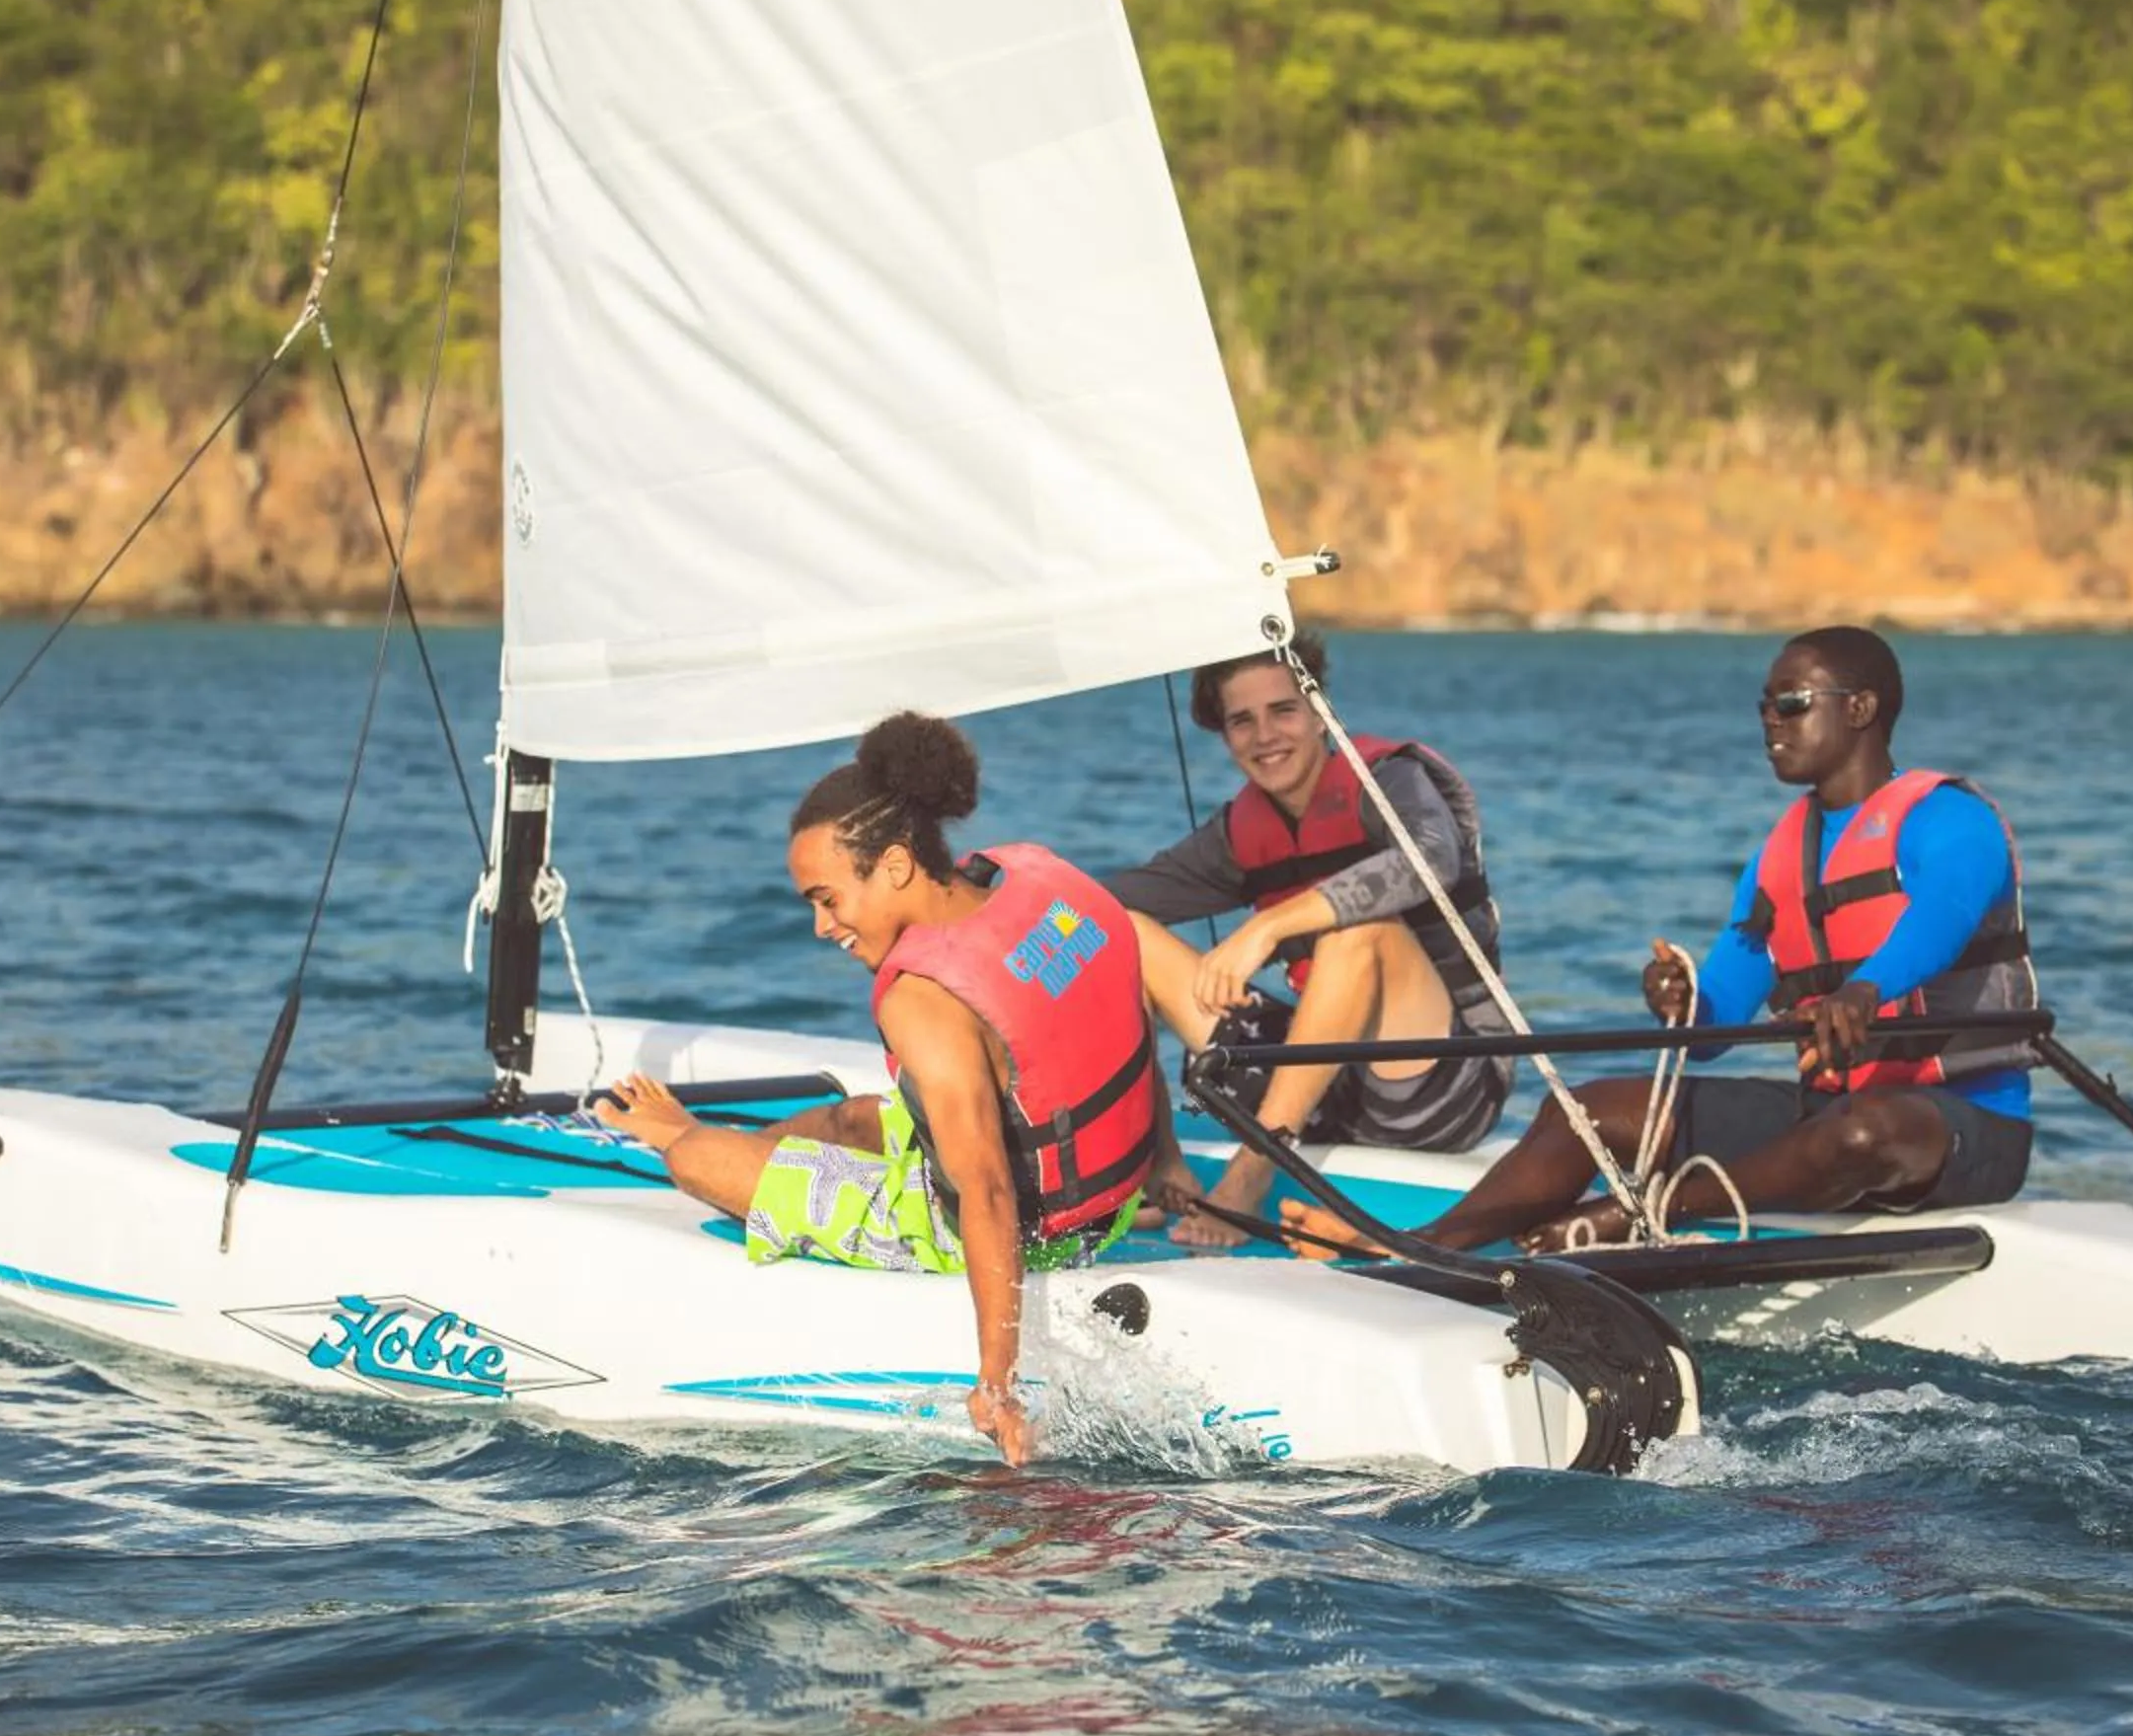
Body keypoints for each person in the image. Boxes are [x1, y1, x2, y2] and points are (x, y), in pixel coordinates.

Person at [1285, 626, 2036, 1259]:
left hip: (1961, 1127)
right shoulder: (1782, 857)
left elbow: (1941, 919)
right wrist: (1683, 1001)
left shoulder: (1949, 819)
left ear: (1862, 709)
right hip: (1825, 1116)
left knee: (1865, 1130)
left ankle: (1644, 1214)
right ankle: (1424, 1245)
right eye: (1763, 708)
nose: (1770, 722)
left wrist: (1865, 989)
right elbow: (1710, 1032)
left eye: (1791, 704)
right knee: (1592, 1109)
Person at [592, 712, 1158, 1466]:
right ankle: (774, 1150)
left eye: (828, 899)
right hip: (1108, 1204)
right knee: (860, 1118)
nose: (824, 927)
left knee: (696, 1157)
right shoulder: (1037, 879)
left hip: (1011, 1233)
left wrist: (998, 1384)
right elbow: (1117, 1014)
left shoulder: (920, 998)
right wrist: (1173, 1167)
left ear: (893, 866)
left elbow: (986, 1186)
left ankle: (676, 1130)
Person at [1105, 632, 1514, 1249]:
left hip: (1443, 1085)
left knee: (1358, 934)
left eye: (1284, 710)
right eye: (1242, 721)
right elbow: (1104, 902)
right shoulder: (1240, 833)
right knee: (1122, 932)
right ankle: (1159, 1162)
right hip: (1330, 1094)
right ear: (1224, 735)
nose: (1266, 736)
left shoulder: (1392, 782)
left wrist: (1265, 928)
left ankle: (1252, 1172)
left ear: (1320, 710)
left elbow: (1431, 861)